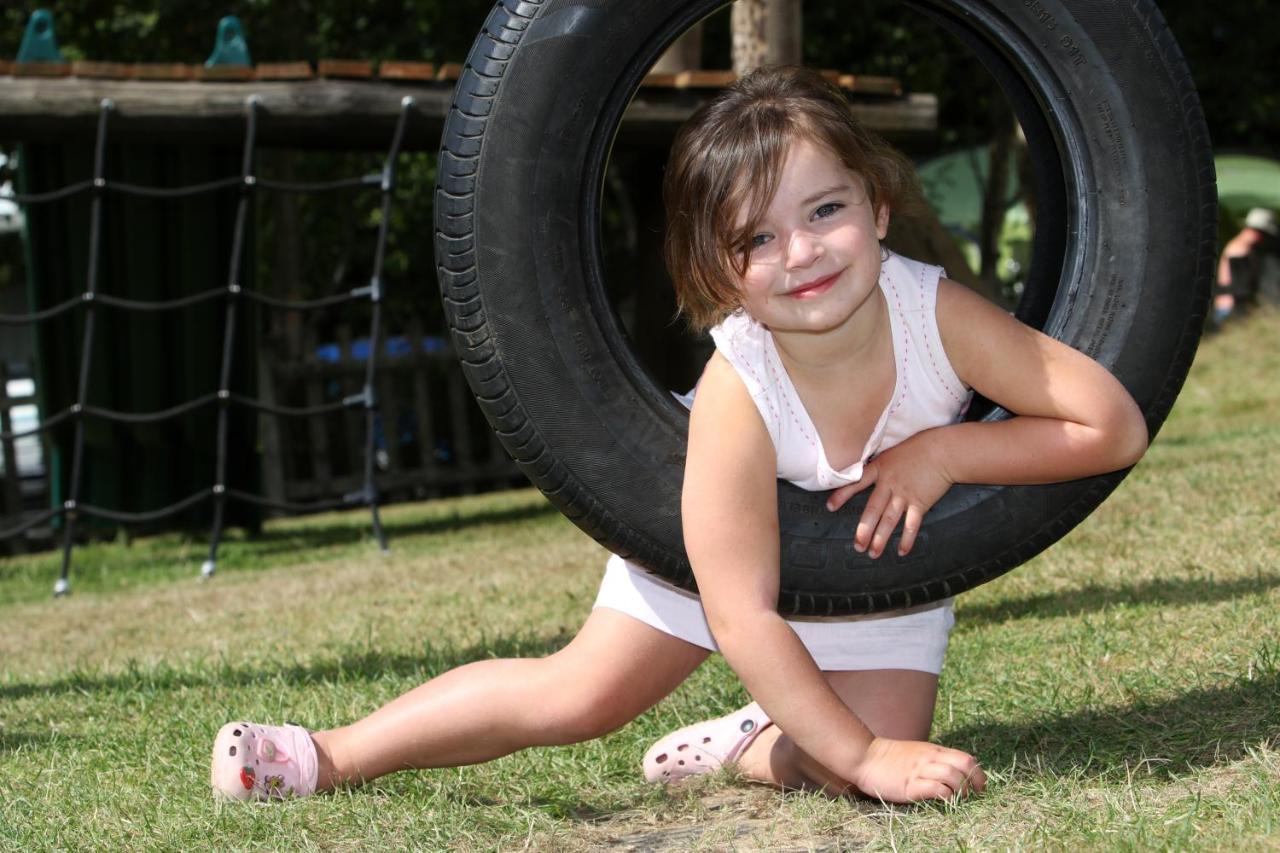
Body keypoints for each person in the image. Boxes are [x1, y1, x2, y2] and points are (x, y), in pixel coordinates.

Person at [211, 66, 1148, 805]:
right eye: (757, 240)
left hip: (877, 553)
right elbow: (740, 608)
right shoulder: (741, 385)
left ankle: (750, 743)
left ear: (878, 208)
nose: (803, 253)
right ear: (722, 271)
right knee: (581, 697)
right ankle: (325, 755)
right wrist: (861, 752)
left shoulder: (935, 313)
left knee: (880, 771)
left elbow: (1112, 424)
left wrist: (947, 450)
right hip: (713, 553)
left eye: (826, 211)